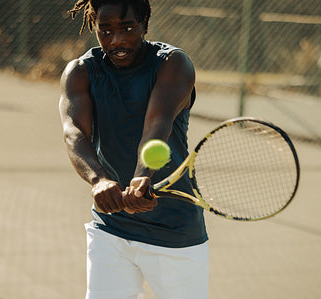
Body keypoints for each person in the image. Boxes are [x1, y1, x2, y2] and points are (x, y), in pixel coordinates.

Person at [59, 0, 209, 298]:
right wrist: (99, 180)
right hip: (111, 230)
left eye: (127, 28)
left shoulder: (173, 64)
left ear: (144, 24)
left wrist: (143, 174)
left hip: (174, 232)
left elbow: (157, 122)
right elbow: (73, 132)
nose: (117, 40)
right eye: (106, 30)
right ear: (94, 28)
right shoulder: (80, 72)